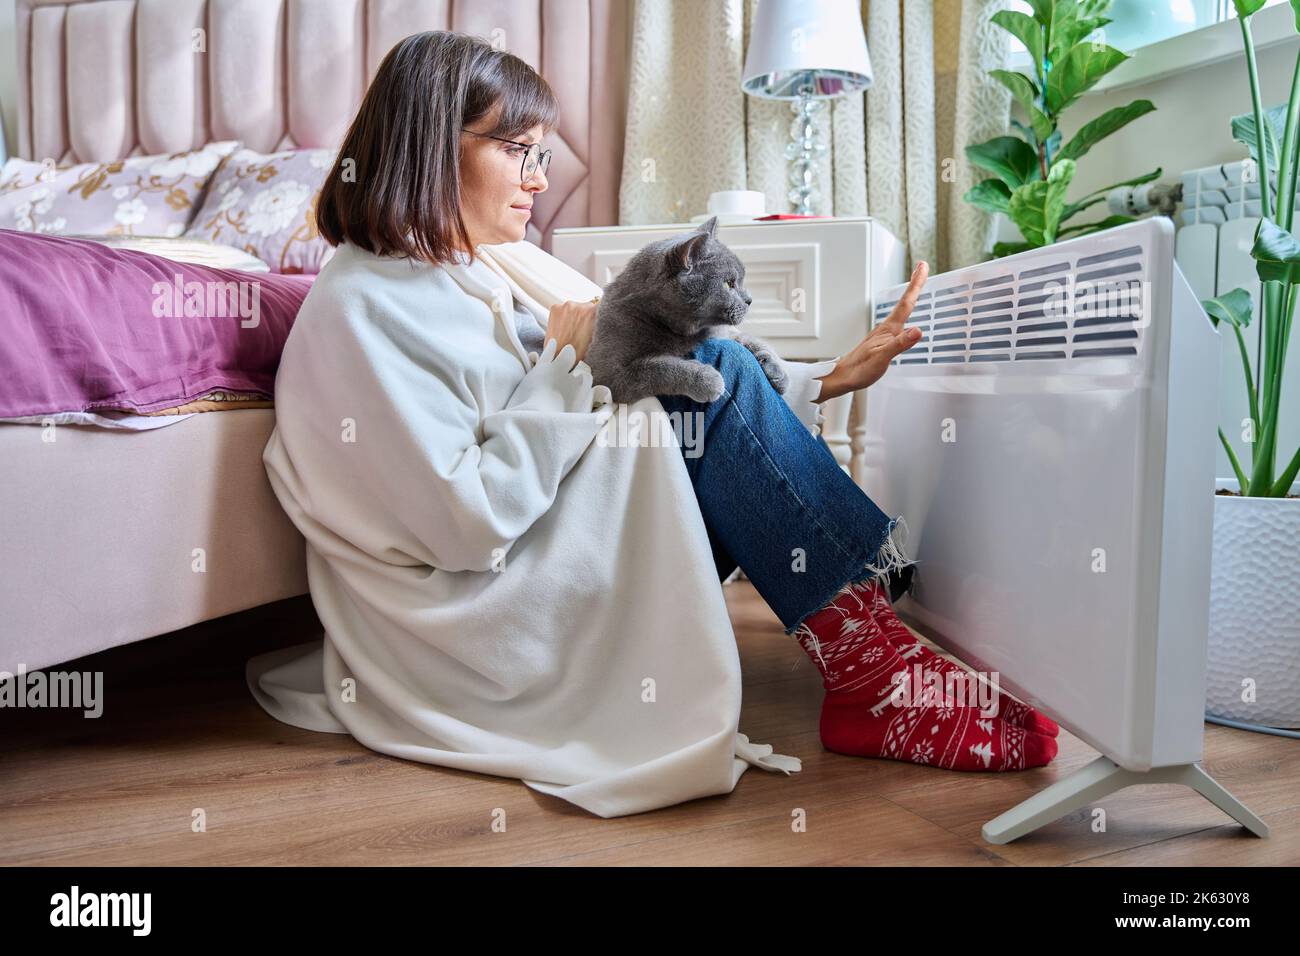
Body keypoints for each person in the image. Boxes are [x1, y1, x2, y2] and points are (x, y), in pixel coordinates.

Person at [247, 30, 1057, 821]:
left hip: (561, 547)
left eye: (544, 153)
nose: (539, 177)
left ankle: (876, 651)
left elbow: (626, 366)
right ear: (429, 146)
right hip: (487, 616)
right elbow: (467, 525)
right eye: (517, 150)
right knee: (710, 379)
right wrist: (563, 377)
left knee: (707, 365)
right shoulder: (362, 309)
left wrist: (831, 377)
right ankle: (874, 668)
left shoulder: (473, 268)